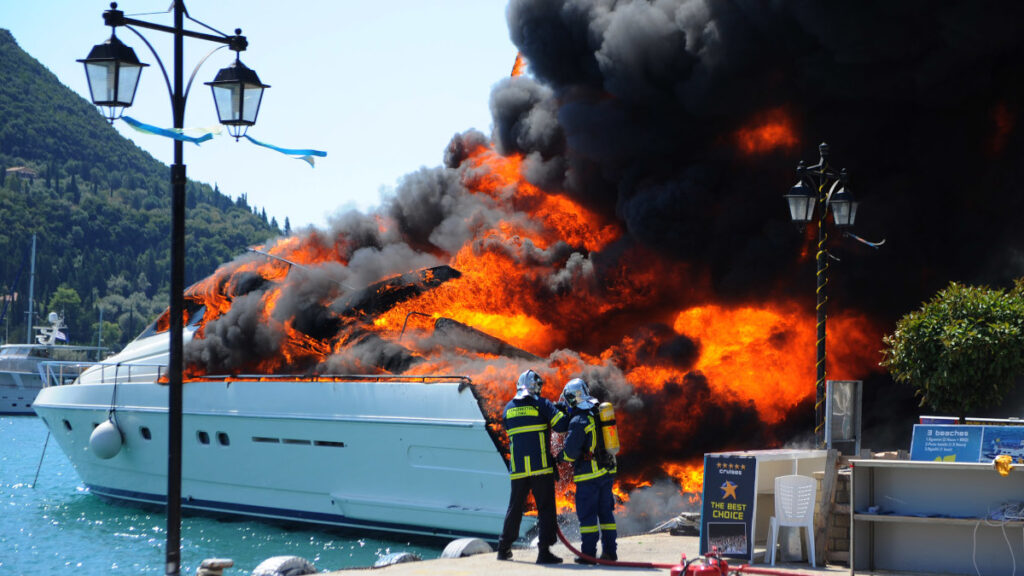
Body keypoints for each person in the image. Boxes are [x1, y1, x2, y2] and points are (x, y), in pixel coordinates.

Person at [496, 369, 566, 564]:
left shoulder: (508, 408)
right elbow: (561, 426)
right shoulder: (542, 404)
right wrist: (559, 410)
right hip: (540, 468)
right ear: (537, 386)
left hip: (518, 470)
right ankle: (544, 552)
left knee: (515, 508)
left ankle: (503, 548)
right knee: (545, 509)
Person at [557, 377, 617, 564]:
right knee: (606, 514)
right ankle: (610, 553)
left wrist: (559, 457)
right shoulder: (598, 412)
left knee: (588, 516)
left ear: (573, 398)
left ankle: (588, 555)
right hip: (606, 472)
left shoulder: (579, 420)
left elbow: (571, 452)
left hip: (589, 476)